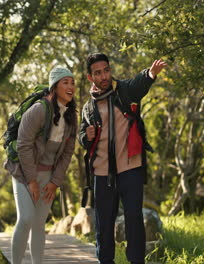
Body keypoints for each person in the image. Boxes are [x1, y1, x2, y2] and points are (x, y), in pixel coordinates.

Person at [79, 53, 167, 264]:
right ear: (90, 77)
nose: (104, 76)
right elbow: (83, 136)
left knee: (134, 221)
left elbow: (139, 83)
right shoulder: (88, 108)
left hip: (131, 168)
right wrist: (85, 136)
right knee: (104, 225)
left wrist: (151, 74)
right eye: (98, 73)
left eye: (106, 70)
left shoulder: (125, 90)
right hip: (102, 173)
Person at [4, 66, 77, 264]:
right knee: (26, 218)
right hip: (23, 173)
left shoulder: (71, 117)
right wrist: (32, 181)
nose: (71, 86)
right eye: (65, 82)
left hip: (48, 177)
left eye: (72, 82)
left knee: (38, 224)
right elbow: (23, 145)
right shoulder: (38, 110)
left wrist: (55, 182)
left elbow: (67, 153)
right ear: (54, 86)